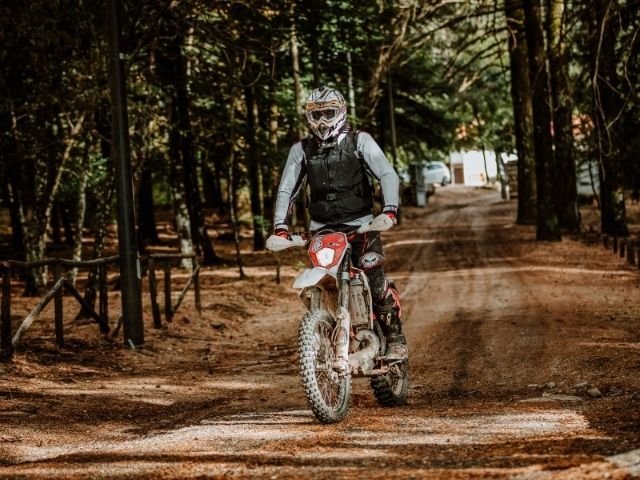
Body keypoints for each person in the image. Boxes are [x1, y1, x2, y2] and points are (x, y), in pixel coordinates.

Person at [273, 85, 407, 360]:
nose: (323, 120)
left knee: (374, 278)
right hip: (323, 230)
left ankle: (395, 339)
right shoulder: (301, 150)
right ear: (309, 117)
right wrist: (280, 228)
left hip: (362, 226)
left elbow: (387, 174)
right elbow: (286, 189)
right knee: (322, 281)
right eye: (317, 114)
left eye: (329, 113)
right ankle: (322, 338)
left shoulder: (360, 141)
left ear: (341, 112)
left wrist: (389, 211)